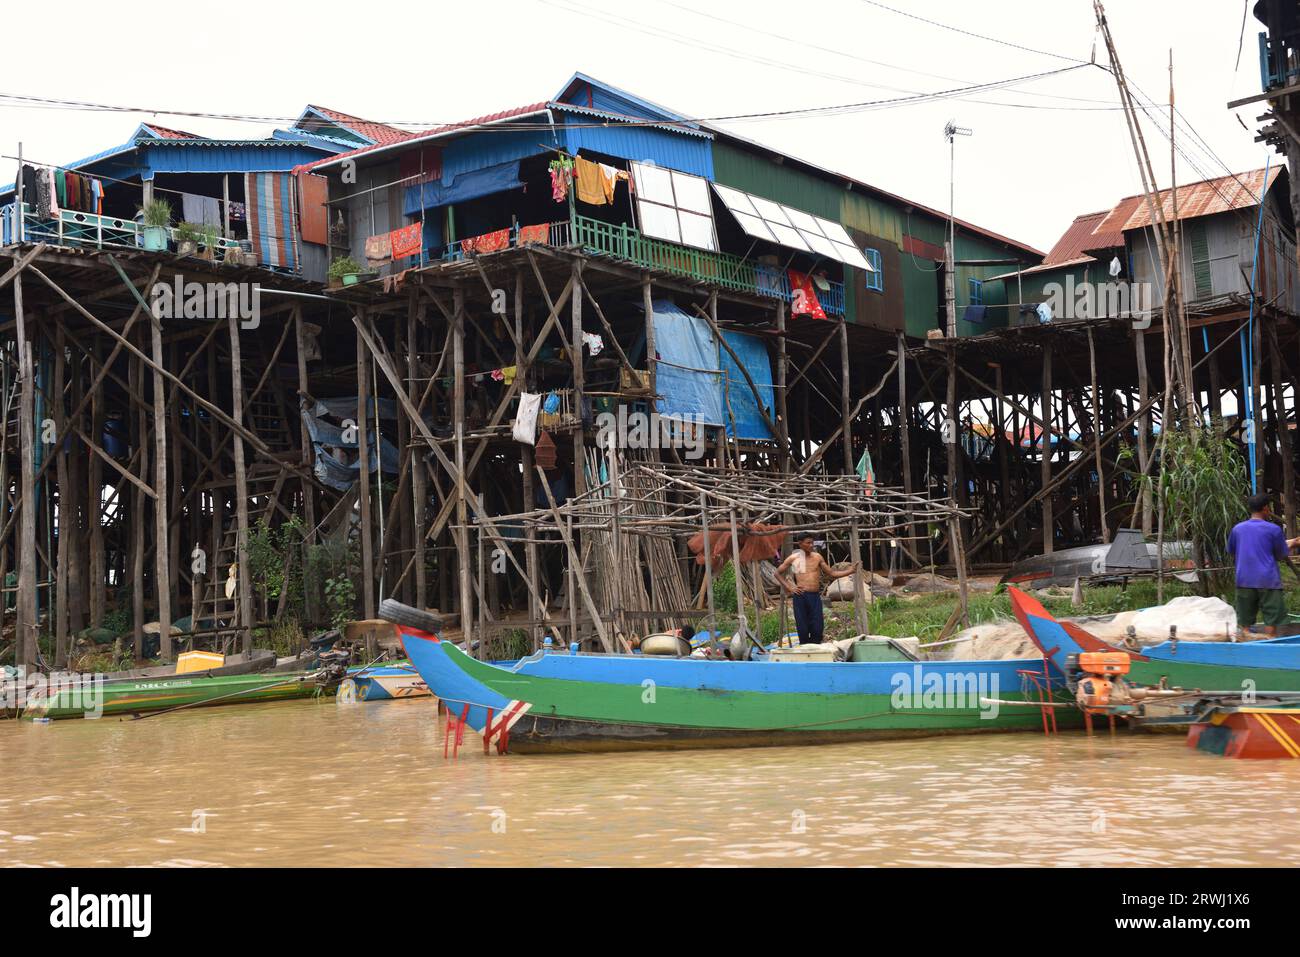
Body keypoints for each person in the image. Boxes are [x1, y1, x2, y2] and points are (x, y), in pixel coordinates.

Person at [1227, 492, 1300, 638]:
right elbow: (1280, 554)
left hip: (1244, 580)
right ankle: (1270, 646)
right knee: (1271, 623)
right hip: (1268, 581)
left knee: (1245, 624)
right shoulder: (1273, 529)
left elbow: (1232, 551)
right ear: (1266, 508)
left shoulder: (1237, 529)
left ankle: (1246, 649)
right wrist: (1293, 543)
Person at [776, 533, 860, 645]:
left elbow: (831, 573)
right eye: (808, 543)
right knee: (802, 626)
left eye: (812, 542)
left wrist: (850, 571)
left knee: (817, 625)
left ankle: (816, 647)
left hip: (814, 596)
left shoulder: (817, 557)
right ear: (800, 544)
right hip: (800, 596)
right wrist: (790, 588)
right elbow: (777, 573)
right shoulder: (793, 558)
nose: (811, 545)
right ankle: (805, 649)